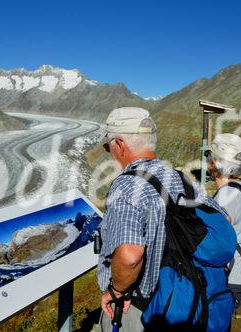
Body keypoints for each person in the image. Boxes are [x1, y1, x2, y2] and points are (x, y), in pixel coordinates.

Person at [97, 107, 228, 331]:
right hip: (187, 298)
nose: (109, 151)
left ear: (119, 144)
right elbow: (225, 217)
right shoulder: (181, 177)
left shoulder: (127, 185)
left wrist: (117, 290)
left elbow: (129, 256)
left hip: (144, 308)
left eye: (107, 146)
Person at [206, 133, 241, 308]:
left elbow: (212, 245)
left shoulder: (226, 197)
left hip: (230, 279)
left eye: (209, 156)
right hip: (240, 274)